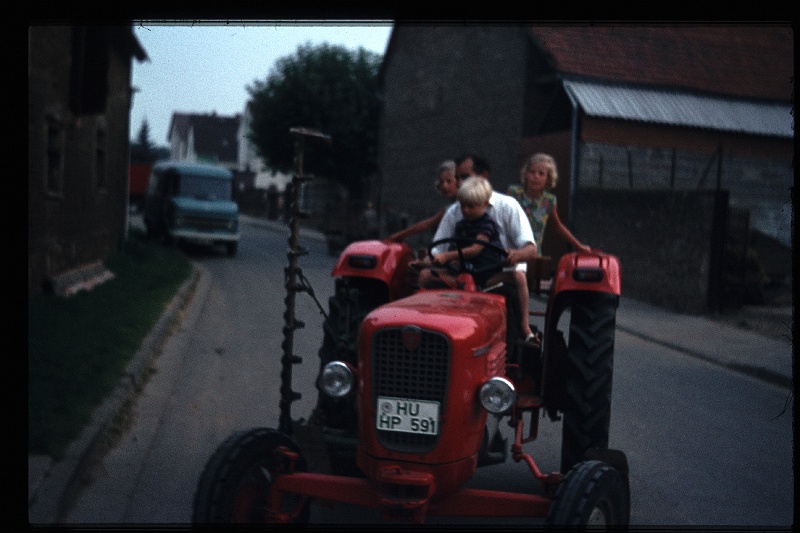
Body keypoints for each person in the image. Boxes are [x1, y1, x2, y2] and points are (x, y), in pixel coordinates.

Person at [428, 155, 539, 344]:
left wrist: (516, 255)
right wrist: (437, 260)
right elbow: (439, 249)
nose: (459, 182)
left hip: (494, 274)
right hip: (464, 274)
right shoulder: (455, 211)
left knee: (508, 293)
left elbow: (530, 248)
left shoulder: (507, 207)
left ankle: (519, 335)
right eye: (458, 178)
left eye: (465, 177)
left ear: (483, 177)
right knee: (425, 278)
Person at [427, 176, 505, 288]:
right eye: (463, 206)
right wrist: (434, 262)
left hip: (485, 271)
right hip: (466, 270)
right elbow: (455, 250)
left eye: (471, 206)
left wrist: (446, 256)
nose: (465, 210)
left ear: (485, 204)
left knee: (518, 278)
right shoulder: (461, 225)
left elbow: (475, 249)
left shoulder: (487, 224)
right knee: (427, 276)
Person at [507, 153, 591, 255]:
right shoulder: (514, 193)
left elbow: (558, 225)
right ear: (526, 174)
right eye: (532, 172)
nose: (536, 176)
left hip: (533, 253)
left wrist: (579, 246)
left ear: (548, 178)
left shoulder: (549, 201)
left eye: (541, 173)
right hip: (511, 249)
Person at [384, 160, 459, 243]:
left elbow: (428, 224)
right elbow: (427, 224)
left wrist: (399, 235)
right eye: (441, 182)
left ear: (458, 181)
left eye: (449, 181)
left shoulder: (460, 204)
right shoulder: (450, 207)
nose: (444, 186)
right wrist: (399, 235)